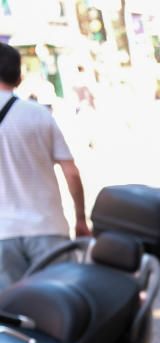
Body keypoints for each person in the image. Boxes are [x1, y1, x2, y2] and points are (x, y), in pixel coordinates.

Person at [0, 43, 88, 291]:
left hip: (2, 237)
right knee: (61, 310)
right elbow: (71, 172)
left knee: (11, 319)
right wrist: (81, 218)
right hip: (48, 228)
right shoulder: (38, 114)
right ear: (19, 76)